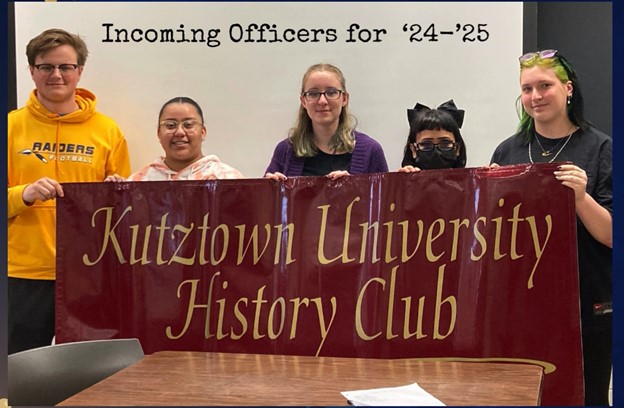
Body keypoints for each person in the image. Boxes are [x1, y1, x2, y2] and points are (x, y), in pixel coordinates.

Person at [489, 49, 612, 406]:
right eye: (527, 89)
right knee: (525, 398)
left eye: (545, 85)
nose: (535, 96)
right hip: (524, 306)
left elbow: (611, 235)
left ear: (568, 88)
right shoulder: (508, 151)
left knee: (586, 397)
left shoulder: (602, 149)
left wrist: (580, 198)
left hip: (587, 305)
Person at [7, 28, 131, 354]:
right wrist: (24, 194)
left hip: (88, 272)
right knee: (21, 370)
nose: (56, 75)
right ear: (32, 71)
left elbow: (126, 208)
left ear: (79, 72)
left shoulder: (107, 131)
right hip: (25, 273)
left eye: (66, 67)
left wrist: (116, 195)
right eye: (46, 67)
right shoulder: (10, 128)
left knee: (87, 371)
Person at [264, 63, 388, 180]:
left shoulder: (371, 150)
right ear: (303, 101)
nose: (322, 101)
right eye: (313, 94)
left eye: (331, 92)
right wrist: (269, 191)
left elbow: (384, 201)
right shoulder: (285, 150)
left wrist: (353, 188)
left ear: (344, 99)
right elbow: (262, 202)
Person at [108, 96, 243, 181]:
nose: (179, 132)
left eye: (188, 125)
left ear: (203, 132)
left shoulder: (228, 179)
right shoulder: (140, 182)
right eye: (170, 125)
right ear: (158, 133)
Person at [399, 99, 467, 172]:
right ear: (413, 150)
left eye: (445, 143)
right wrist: (402, 181)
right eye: (426, 144)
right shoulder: (405, 181)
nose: (436, 151)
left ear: (457, 148)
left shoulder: (470, 181)